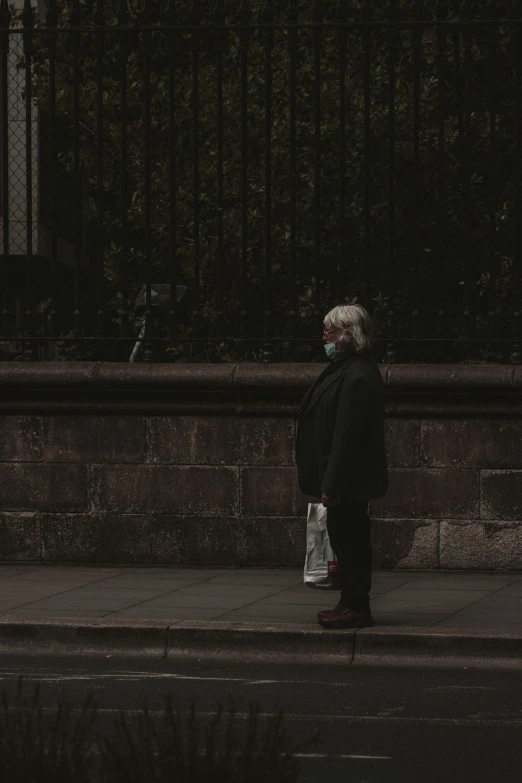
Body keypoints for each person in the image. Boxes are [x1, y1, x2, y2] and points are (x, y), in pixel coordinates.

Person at [295, 304, 388, 629]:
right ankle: (349, 602)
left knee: (351, 541)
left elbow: (347, 438)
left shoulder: (357, 375)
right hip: (344, 478)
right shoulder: (346, 368)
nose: (325, 336)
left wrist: (331, 486)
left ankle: (356, 605)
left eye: (331, 330)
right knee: (347, 537)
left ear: (349, 335)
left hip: (349, 480)